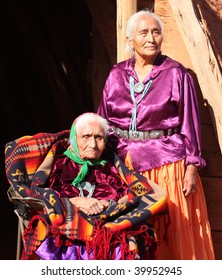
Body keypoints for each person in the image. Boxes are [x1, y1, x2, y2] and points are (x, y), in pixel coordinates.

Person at [97, 10, 215, 260]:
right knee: (129, 235)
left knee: (172, 232)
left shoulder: (176, 73)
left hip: (167, 167)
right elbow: (102, 120)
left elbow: (189, 122)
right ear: (130, 40)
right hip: (124, 167)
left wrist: (192, 165)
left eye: (156, 32)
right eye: (144, 33)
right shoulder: (116, 74)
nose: (151, 38)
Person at [34, 112, 159, 260]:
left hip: (108, 227)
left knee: (126, 243)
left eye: (99, 138)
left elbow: (129, 196)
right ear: (74, 139)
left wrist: (109, 205)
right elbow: (45, 196)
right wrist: (75, 202)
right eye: (86, 137)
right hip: (70, 229)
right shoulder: (59, 164)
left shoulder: (111, 167)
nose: (93, 145)